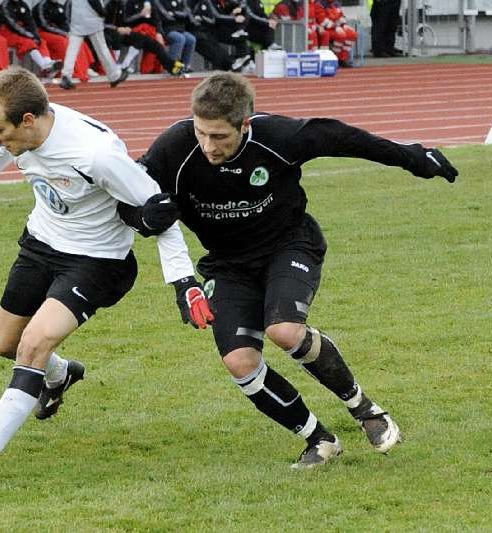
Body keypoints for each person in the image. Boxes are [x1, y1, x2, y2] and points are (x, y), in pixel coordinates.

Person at [0, 66, 212, 493]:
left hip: (96, 261)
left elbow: (160, 213)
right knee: (5, 344)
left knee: (33, 344)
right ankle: (60, 375)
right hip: (41, 244)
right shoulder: (16, 132)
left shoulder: (96, 154)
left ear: (27, 120)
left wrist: (184, 282)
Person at [118, 72, 458, 468]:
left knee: (285, 331)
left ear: (244, 125)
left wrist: (413, 157)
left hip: (290, 245)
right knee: (239, 362)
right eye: (201, 133)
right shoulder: (174, 149)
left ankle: (364, 409)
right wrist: (144, 218)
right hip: (227, 263)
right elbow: (128, 198)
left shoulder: (277, 137)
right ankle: (319, 439)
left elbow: (342, 138)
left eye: (220, 137)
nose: (208, 146)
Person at [59, 0, 129, 89]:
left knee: (72, 50)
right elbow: (94, 2)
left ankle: (66, 75)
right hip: (92, 21)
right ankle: (114, 76)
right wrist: (103, 12)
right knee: (102, 49)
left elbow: (68, 4)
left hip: (76, 20)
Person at [103, 0, 184, 77]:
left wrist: (159, 33)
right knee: (139, 36)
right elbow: (102, 23)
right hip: (108, 33)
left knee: (156, 45)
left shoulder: (123, 4)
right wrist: (116, 28)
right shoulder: (110, 5)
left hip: (126, 32)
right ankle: (123, 65)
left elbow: (156, 19)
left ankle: (171, 66)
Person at [33, 0, 97, 83]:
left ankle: (84, 68)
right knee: (62, 42)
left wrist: (69, 33)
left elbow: (65, 23)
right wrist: (63, 33)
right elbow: (44, 25)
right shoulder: (42, 5)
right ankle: (69, 70)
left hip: (58, 32)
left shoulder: (59, 6)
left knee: (78, 40)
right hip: (43, 33)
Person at [155, 0, 197, 73]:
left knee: (191, 39)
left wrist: (174, 13)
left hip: (179, 28)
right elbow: (164, 15)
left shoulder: (180, 1)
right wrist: (176, 15)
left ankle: (184, 66)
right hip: (166, 29)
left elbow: (186, 14)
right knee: (179, 38)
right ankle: (171, 66)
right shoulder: (159, 2)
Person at [319, 0, 357, 68]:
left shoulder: (335, 3)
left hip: (336, 27)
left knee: (352, 34)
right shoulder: (320, 4)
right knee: (341, 36)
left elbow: (341, 16)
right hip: (326, 28)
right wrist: (335, 27)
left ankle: (343, 59)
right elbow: (322, 21)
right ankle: (335, 58)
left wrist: (344, 25)